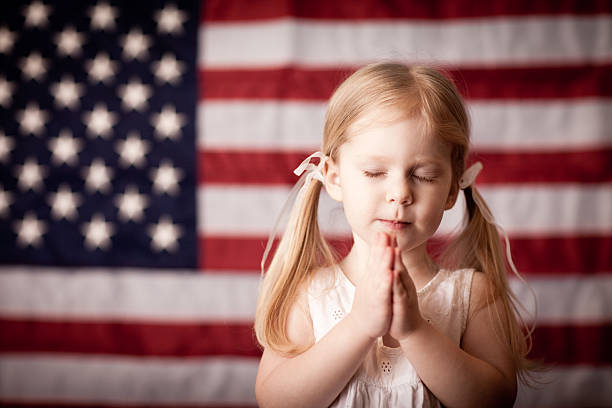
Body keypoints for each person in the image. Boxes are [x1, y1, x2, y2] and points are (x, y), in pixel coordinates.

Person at [254, 62, 534, 407]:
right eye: (374, 172)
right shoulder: (311, 295)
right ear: (334, 177)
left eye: (426, 175)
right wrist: (359, 325)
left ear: (451, 187)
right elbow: (275, 400)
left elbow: (494, 400)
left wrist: (414, 330)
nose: (400, 193)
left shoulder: (472, 296)